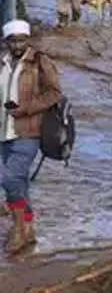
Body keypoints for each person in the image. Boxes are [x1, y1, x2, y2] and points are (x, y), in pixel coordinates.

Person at [0, 19, 62, 254]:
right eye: (13, 40)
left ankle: (18, 229)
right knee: (20, 182)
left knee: (9, 179)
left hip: (29, 131)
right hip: (3, 132)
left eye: (21, 40)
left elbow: (54, 93)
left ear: (28, 40)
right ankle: (29, 227)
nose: (17, 45)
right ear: (6, 42)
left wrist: (26, 107)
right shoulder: (2, 61)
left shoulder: (39, 61)